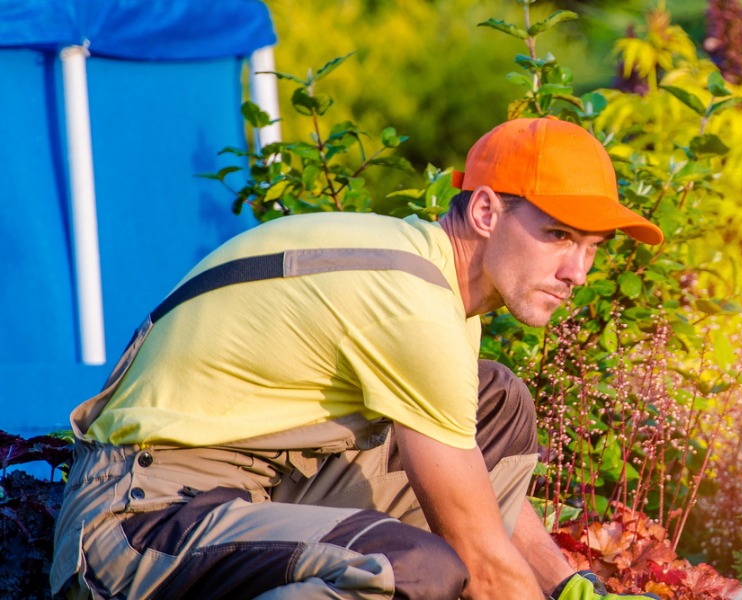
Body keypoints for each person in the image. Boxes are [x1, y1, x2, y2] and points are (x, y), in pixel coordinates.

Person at [50, 117, 663, 599]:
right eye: (559, 235)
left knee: (494, 402)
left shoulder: (432, 284)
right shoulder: (410, 301)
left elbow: (474, 494)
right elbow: (478, 554)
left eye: (592, 247)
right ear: (484, 211)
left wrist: (568, 587)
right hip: (139, 526)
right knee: (414, 571)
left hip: (250, 495)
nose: (577, 271)